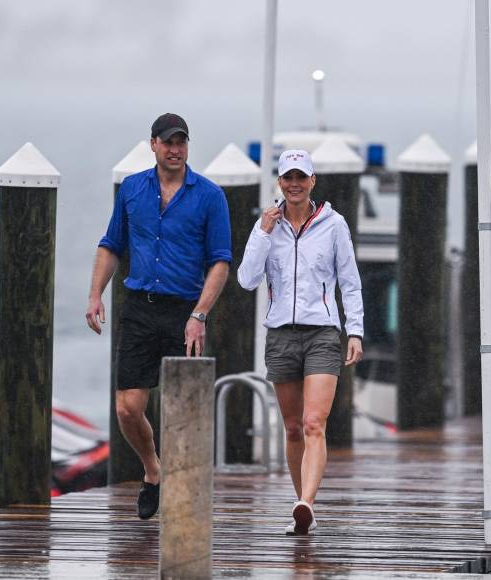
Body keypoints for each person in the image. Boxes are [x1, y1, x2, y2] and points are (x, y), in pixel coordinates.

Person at [86, 113, 232, 520]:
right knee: (128, 408)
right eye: (167, 142)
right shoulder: (133, 189)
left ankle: (185, 496)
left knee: (185, 408)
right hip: (139, 306)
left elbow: (220, 262)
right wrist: (95, 294)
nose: (175, 149)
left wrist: (199, 314)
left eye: (181, 142)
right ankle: (154, 468)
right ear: (152, 144)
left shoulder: (209, 195)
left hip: (185, 311)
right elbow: (112, 244)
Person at [238, 149, 364, 535]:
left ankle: (307, 500)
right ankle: (302, 505)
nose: (294, 184)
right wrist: (262, 232)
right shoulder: (266, 227)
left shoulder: (334, 223)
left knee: (314, 422)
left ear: (312, 181)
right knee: (292, 427)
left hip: (322, 333)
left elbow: (350, 280)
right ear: (280, 182)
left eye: (301, 177)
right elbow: (246, 279)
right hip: (281, 335)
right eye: (288, 177)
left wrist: (354, 330)